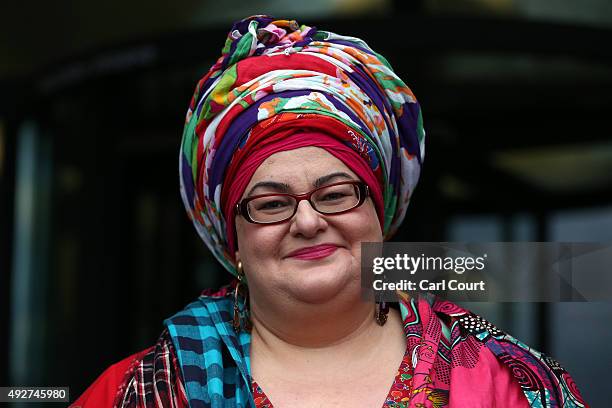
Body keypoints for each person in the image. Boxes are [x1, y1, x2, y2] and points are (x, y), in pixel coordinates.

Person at [72, 15, 588, 408]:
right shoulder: (137, 391)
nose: (308, 221)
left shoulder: (503, 381)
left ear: (380, 215)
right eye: (271, 204)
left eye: (337, 193)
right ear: (234, 244)